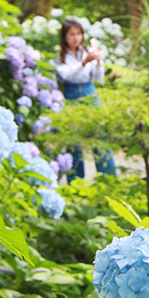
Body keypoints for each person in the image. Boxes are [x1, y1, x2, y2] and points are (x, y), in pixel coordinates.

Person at [55, 17, 116, 180]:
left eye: (78, 34)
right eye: (71, 35)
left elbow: (98, 78)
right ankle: (75, 181)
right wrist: (84, 62)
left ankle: (108, 179)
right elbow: (65, 75)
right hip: (71, 94)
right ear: (65, 37)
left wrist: (97, 62)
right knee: (74, 141)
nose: (76, 38)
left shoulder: (86, 51)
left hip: (90, 93)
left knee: (99, 138)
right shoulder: (61, 56)